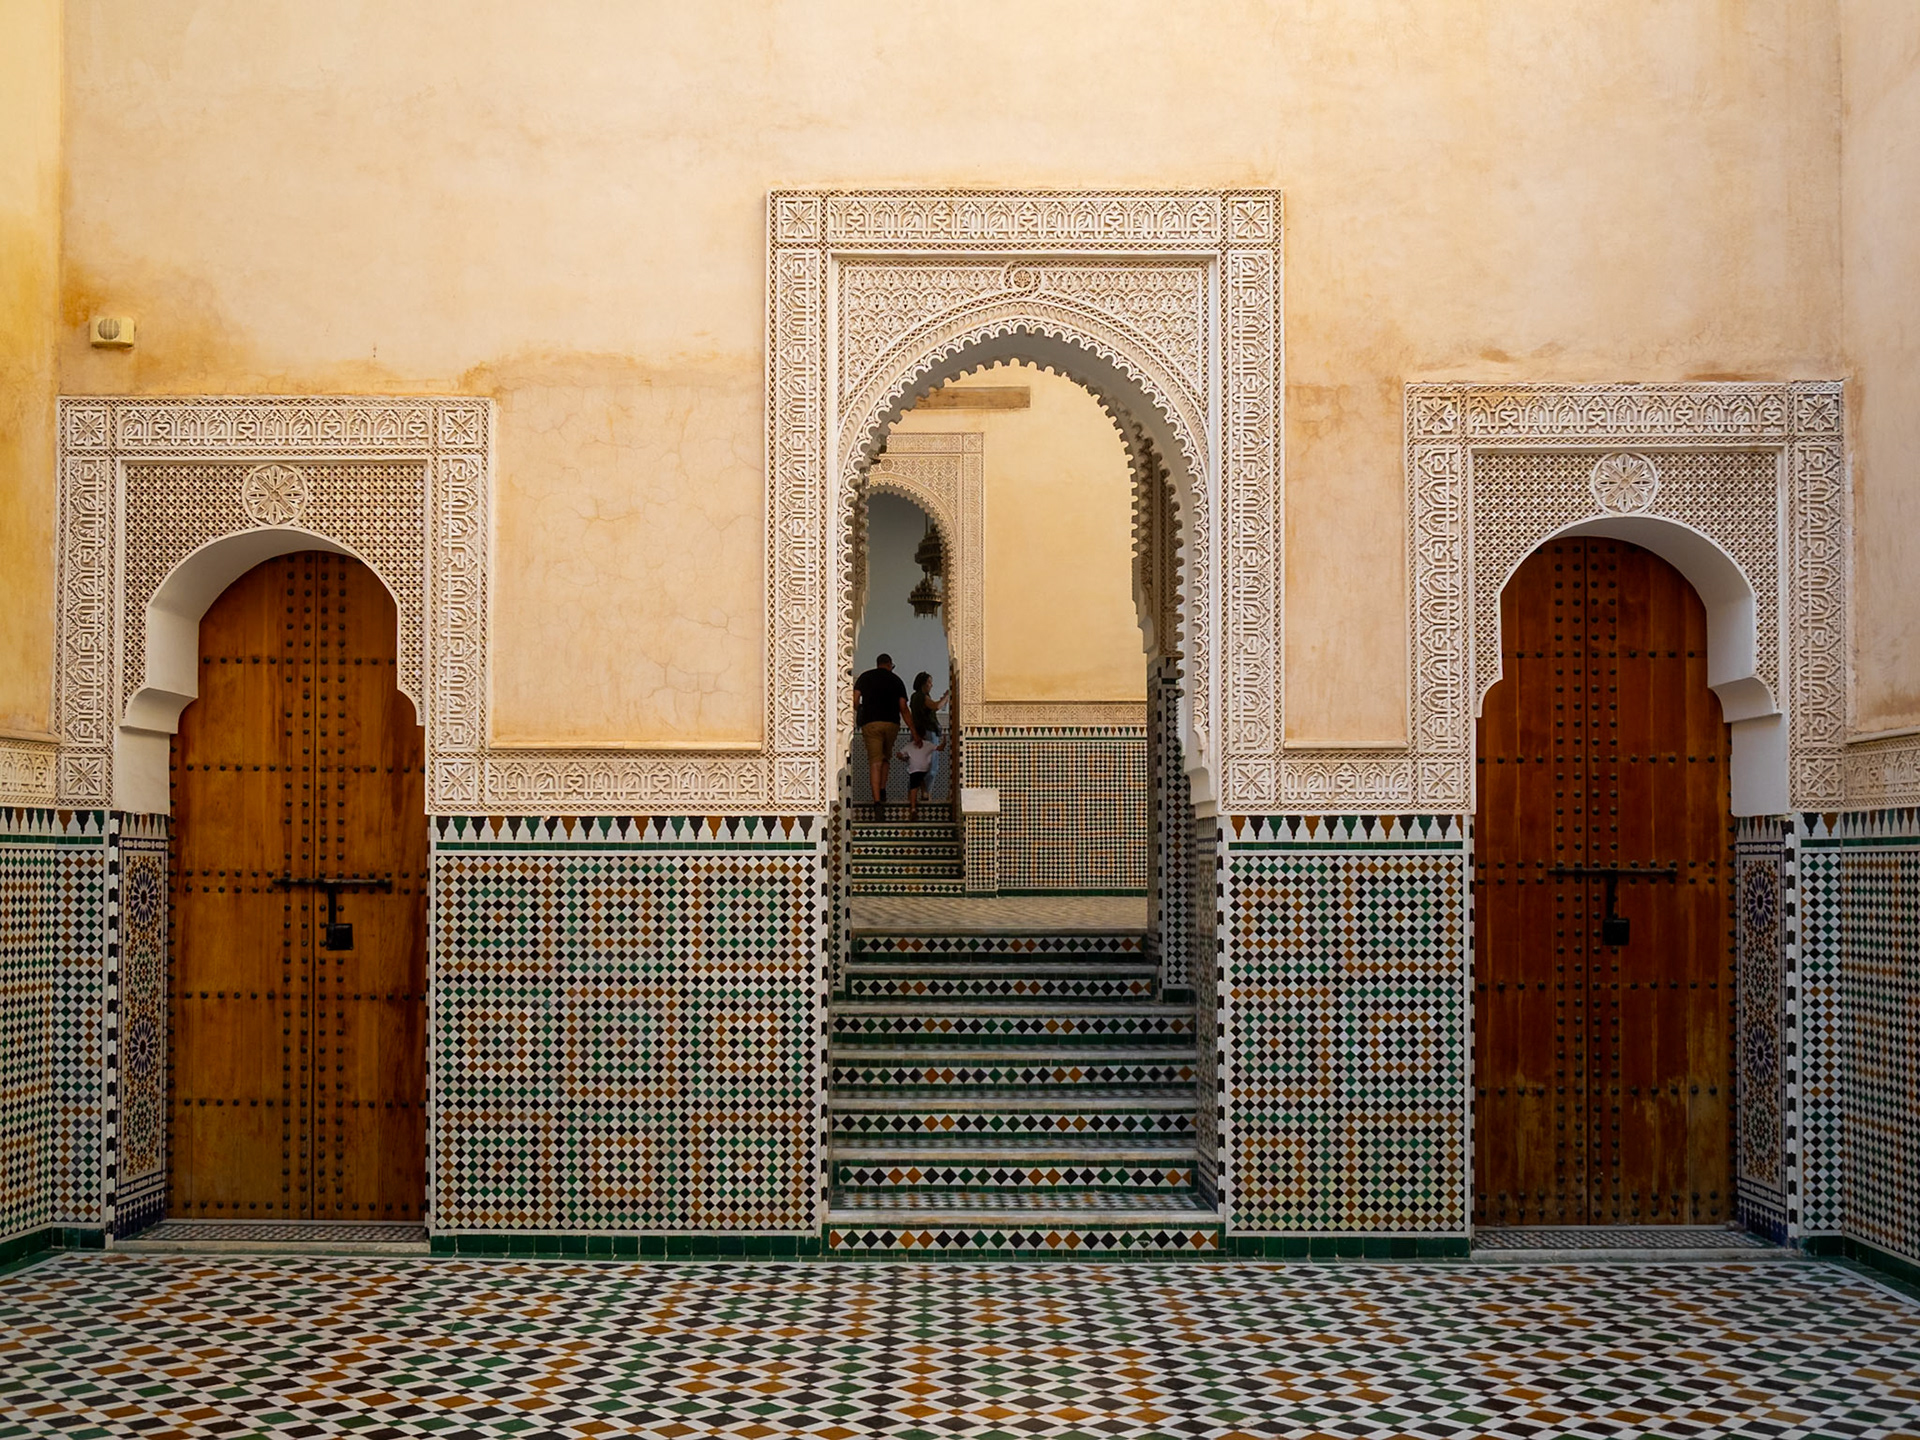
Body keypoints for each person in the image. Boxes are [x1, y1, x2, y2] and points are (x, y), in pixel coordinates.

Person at [851, 653, 915, 811]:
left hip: (871, 724)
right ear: (889, 664)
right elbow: (903, 708)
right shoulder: (896, 680)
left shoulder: (865, 677)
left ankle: (877, 802)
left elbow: (854, 699)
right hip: (891, 724)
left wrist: (860, 710)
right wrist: (914, 731)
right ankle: (883, 788)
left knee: (875, 762)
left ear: (878, 663)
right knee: (886, 758)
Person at [897, 671, 948, 822]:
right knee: (929, 767)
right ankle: (925, 795)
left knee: (918, 767)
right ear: (924, 683)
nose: (931, 685)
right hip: (926, 733)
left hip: (920, 733)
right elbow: (936, 706)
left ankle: (920, 795)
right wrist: (946, 696)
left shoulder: (916, 697)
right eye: (930, 682)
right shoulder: (920, 697)